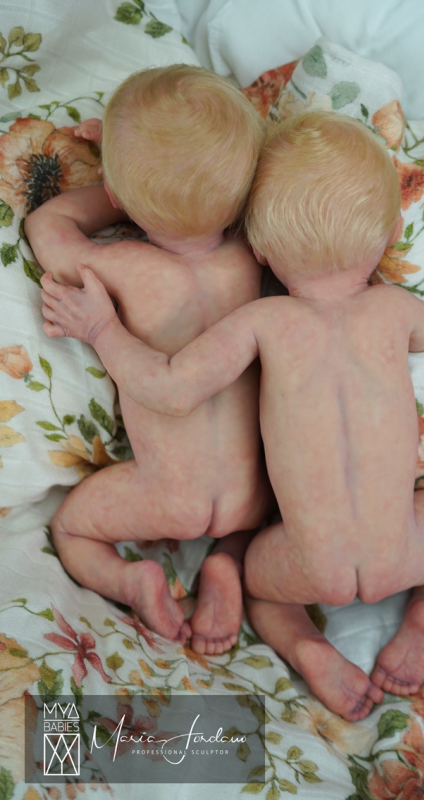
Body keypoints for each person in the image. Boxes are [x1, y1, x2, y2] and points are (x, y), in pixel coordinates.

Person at [39, 110, 424, 721]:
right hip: (393, 548)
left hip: (307, 565)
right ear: (395, 232)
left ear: (263, 252)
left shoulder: (264, 321)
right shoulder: (397, 309)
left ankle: (294, 641)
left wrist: (103, 327)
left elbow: (173, 387)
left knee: (255, 592)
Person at [25, 63, 270, 654]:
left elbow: (46, 223)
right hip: (257, 495)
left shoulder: (127, 268)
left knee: (71, 529)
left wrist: (122, 185)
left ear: (115, 194)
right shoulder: (253, 254)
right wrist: (147, 175)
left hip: (166, 497)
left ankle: (130, 580)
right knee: (256, 521)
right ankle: (228, 560)